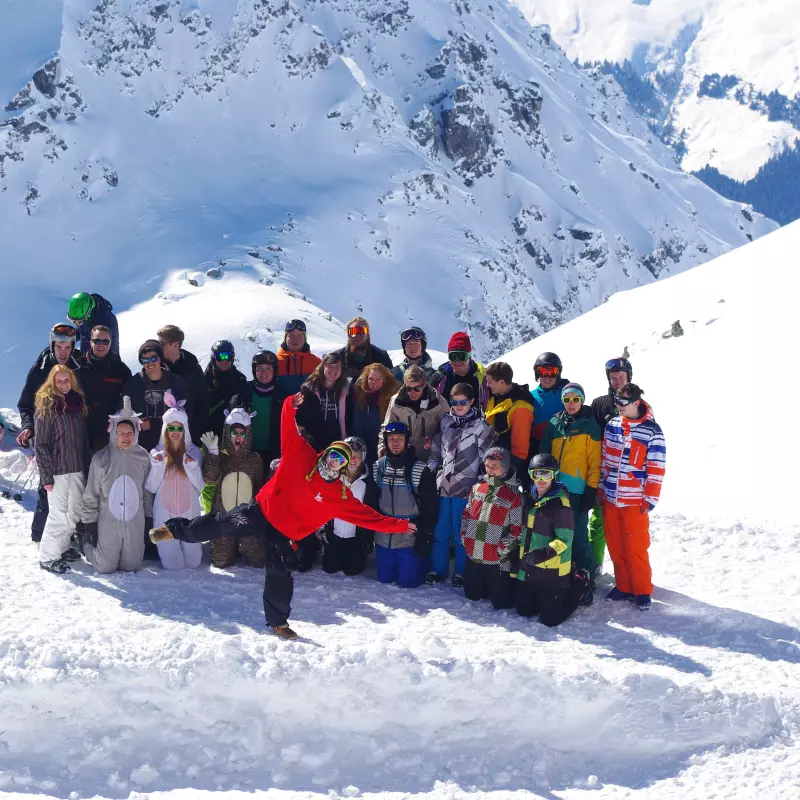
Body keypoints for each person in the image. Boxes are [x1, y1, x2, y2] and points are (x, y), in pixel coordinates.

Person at [150, 394, 416, 639]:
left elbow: (369, 517)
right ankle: (174, 530)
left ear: (345, 467)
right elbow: (287, 425)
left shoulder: (339, 495)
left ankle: (278, 622)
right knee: (221, 524)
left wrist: (401, 525)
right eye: (334, 454)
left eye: (342, 461)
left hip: (284, 533)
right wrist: (290, 404)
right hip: (261, 511)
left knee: (280, 573)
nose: (335, 461)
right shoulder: (301, 454)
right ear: (327, 453)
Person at [600, 383, 666, 610]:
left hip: (635, 499)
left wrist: (650, 498)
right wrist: (601, 486)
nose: (619, 407)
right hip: (611, 496)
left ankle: (642, 590)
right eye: (617, 402)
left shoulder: (652, 430)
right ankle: (624, 585)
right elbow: (605, 460)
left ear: (637, 402)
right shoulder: (612, 425)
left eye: (623, 403)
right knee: (615, 544)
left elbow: (657, 467)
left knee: (635, 546)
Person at [425, 382, 496, 585]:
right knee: (440, 532)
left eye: (463, 402)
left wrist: (481, 485)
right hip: (444, 487)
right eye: (455, 403)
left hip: (466, 489)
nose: (458, 406)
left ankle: (461, 572)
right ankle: (437, 570)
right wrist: (431, 473)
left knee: (461, 534)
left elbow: (488, 461)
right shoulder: (446, 423)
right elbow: (436, 453)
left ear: (472, 401)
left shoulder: (481, 427)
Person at [17, 323, 81, 542]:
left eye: (68, 347)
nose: (63, 352)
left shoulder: (80, 365)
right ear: (52, 345)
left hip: (74, 439)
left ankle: (69, 539)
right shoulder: (41, 368)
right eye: (59, 346)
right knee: (47, 489)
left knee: (74, 494)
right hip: (49, 441)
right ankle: (40, 539)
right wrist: (28, 426)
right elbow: (25, 404)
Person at [511, 454, 592, 626]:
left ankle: (580, 583)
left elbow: (564, 540)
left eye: (546, 474)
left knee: (550, 620)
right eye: (536, 474)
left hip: (552, 572)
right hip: (530, 570)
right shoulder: (529, 498)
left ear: (554, 475)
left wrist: (541, 554)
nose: (541, 479)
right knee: (524, 611)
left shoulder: (560, 505)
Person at [80, 397, 152, 573]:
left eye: (129, 433)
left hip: (135, 520)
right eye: (121, 433)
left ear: (135, 433)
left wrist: (149, 518)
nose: (125, 437)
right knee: (104, 567)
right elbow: (91, 494)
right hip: (108, 520)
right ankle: (86, 547)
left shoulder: (143, 457)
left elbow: (147, 491)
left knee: (132, 567)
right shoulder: (101, 458)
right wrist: (89, 524)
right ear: (114, 434)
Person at [539, 383, 602, 581]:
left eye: (576, 399)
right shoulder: (554, 423)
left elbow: (595, 461)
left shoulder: (590, 425)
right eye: (567, 399)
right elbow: (543, 454)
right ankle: (559, 571)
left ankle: (586, 575)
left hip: (577, 490)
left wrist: (591, 490)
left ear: (582, 400)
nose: (571, 403)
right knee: (554, 533)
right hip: (554, 488)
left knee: (578, 535)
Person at [33, 365, 90, 574]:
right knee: (59, 514)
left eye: (67, 381)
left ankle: (63, 547)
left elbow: (82, 442)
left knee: (74, 513)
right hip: (57, 471)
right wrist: (46, 476)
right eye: (59, 381)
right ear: (52, 383)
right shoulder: (46, 407)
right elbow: (40, 445)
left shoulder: (76, 406)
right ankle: (48, 556)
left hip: (76, 468)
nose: (64, 385)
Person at [371, 421, 438, 588]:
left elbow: (430, 507)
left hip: (409, 535)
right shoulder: (378, 467)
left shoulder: (419, 469)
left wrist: (425, 535)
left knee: (408, 583)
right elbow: (371, 501)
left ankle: (421, 563)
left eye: (399, 438)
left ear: (407, 441)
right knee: (384, 580)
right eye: (391, 438)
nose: (395, 443)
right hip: (384, 534)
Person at [199, 408, 266, 569]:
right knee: (220, 562)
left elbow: (259, 489)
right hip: (224, 516)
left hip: (246, 517)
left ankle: (243, 544)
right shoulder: (221, 457)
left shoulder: (255, 460)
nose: (238, 437)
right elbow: (210, 478)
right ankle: (230, 549)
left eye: (242, 434)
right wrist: (213, 453)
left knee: (257, 562)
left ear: (247, 435)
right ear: (228, 433)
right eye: (234, 432)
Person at [146, 393, 205, 571]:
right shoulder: (157, 452)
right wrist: (156, 466)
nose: (176, 433)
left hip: (190, 511)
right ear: (165, 430)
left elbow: (200, 487)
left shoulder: (194, 452)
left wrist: (192, 468)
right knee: (172, 565)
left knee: (193, 562)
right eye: (171, 428)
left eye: (179, 428)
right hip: (164, 512)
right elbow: (151, 487)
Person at [460, 447, 522, 609]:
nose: (490, 470)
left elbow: (518, 530)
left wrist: (502, 549)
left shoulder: (514, 495)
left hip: (497, 560)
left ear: (505, 467)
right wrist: (464, 537)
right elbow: (466, 515)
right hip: (474, 556)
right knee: (472, 596)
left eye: (495, 466)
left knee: (501, 604)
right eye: (487, 466)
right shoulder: (477, 488)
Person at [588, 357, 633, 573]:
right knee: (599, 522)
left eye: (621, 378)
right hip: (604, 475)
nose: (617, 382)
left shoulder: (638, 406)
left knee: (627, 527)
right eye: (613, 378)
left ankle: (626, 569)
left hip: (629, 479)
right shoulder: (599, 405)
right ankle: (595, 563)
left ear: (629, 378)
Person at [320, 436, 375, 576]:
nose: (352, 460)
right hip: (335, 533)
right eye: (348, 455)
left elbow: (372, 509)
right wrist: (322, 529)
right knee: (329, 568)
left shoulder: (368, 481)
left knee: (352, 570)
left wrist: (367, 537)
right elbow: (322, 503)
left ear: (363, 457)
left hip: (355, 536)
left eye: (356, 456)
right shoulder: (333, 477)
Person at [124, 340, 190, 452]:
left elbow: (187, 411)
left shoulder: (177, 383)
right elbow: (124, 412)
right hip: (142, 444)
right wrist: (137, 421)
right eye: (145, 360)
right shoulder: (132, 384)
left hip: (170, 442)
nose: (150, 363)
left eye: (153, 358)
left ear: (160, 358)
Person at [78, 324, 132, 452]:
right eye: (97, 341)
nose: (101, 345)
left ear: (110, 343)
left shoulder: (120, 369)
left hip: (109, 430)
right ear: (91, 342)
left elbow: (130, 396)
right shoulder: (78, 366)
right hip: (81, 429)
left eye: (105, 341)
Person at [380, 366, 449, 461]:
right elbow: (387, 426)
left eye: (416, 388)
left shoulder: (438, 402)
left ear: (424, 384)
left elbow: (449, 429)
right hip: (404, 456)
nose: (412, 393)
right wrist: (382, 446)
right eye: (409, 388)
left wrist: (435, 439)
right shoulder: (396, 401)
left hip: (430, 457)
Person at [229, 350, 285, 467]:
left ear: (275, 370)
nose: (264, 373)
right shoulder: (243, 392)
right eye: (259, 368)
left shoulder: (283, 394)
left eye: (268, 368)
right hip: (246, 454)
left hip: (275, 456)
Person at [157, 325, 209, 446]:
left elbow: (202, 402)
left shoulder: (193, 368)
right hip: (160, 436)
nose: (158, 347)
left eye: (161, 343)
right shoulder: (156, 365)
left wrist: (194, 434)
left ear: (175, 344)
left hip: (188, 435)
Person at [484, 361, 534, 481]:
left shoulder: (521, 406)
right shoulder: (495, 395)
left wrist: (510, 473)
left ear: (501, 382)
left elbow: (520, 448)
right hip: (492, 462)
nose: (488, 385)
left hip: (505, 467)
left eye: (490, 382)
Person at [296, 352, 349, 452]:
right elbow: (301, 417)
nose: (334, 370)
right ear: (323, 366)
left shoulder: (346, 389)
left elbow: (350, 417)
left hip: (338, 443)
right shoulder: (309, 389)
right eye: (330, 366)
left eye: (338, 366)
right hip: (314, 443)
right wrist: (305, 436)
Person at [348, 363, 399, 465]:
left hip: (386, 448)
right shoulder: (361, 396)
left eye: (378, 378)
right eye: (371, 379)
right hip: (366, 448)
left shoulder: (392, 397)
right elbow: (357, 425)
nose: (374, 382)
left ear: (384, 379)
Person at [431, 332, 489, 409]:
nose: (457, 361)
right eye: (453, 357)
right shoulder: (439, 379)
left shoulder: (483, 378)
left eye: (462, 356)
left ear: (469, 356)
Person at [204, 340, 248, 437]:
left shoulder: (240, 380)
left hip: (232, 436)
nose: (224, 360)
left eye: (228, 356)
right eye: (220, 356)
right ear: (213, 357)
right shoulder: (203, 381)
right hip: (206, 436)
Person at [530, 352, 569, 454]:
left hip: (565, 448)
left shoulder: (567, 394)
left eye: (552, 372)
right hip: (539, 451)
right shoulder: (530, 397)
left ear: (558, 373)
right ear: (537, 373)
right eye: (542, 372)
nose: (547, 377)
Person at [334, 316, 392, 380]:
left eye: (362, 331)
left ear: (367, 334)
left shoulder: (381, 357)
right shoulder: (337, 357)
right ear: (348, 334)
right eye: (353, 331)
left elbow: (391, 384)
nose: (358, 335)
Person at [276, 319, 321, 395]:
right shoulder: (274, 361)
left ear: (305, 339)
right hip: (280, 406)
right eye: (291, 336)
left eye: (300, 336)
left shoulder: (317, 363)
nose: (295, 340)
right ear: (285, 338)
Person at [67, 292, 119, 356]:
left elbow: (113, 349)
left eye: (78, 322)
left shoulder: (108, 321)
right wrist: (66, 338)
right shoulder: (85, 315)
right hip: (85, 358)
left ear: (89, 312)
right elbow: (80, 331)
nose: (77, 324)